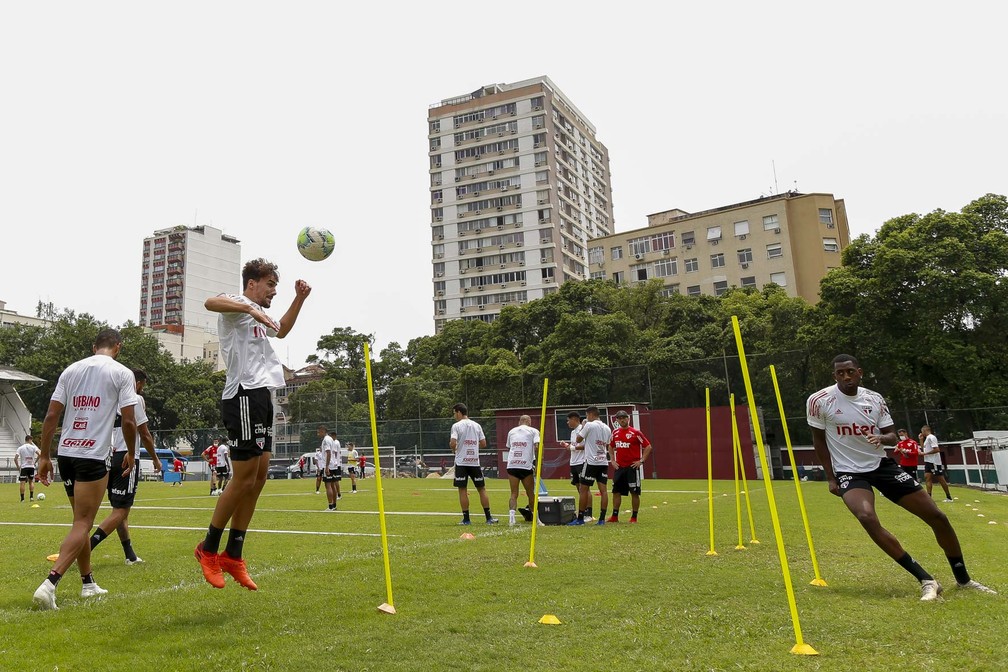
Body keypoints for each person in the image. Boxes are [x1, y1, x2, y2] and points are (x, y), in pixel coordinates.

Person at [807, 354, 995, 600]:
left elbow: (893, 436)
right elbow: (818, 441)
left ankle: (963, 579)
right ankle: (926, 579)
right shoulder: (819, 400)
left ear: (859, 372)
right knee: (866, 516)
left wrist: (880, 438)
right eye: (840, 373)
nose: (846, 377)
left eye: (850, 371)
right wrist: (831, 478)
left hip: (881, 465)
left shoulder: (874, 399)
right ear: (834, 375)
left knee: (937, 516)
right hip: (849, 471)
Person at [194, 258, 311, 591]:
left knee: (259, 477)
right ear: (252, 283)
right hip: (242, 395)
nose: (274, 290)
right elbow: (209, 302)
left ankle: (234, 553)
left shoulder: (258, 313)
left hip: (263, 397)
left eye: (276, 285)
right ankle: (208, 548)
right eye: (271, 284)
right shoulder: (239, 304)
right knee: (243, 477)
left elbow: (283, 329)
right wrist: (250, 310)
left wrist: (299, 298)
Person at [32, 328, 138, 610]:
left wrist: (44, 455)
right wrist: (130, 451)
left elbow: (52, 415)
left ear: (94, 346)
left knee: (79, 521)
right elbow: (128, 422)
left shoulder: (70, 371)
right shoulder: (122, 373)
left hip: (66, 453)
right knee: (83, 523)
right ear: (118, 347)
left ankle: (88, 583)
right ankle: (50, 584)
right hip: (93, 455)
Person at [90, 368, 161, 565]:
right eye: (142, 386)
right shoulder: (134, 400)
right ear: (137, 383)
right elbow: (144, 433)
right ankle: (86, 547)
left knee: (119, 510)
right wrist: (155, 458)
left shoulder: (109, 400)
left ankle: (129, 555)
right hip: (126, 456)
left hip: (105, 456)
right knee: (121, 511)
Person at [450, 402, 497, 525]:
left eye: (454, 413)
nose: (454, 415)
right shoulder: (477, 425)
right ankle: (488, 518)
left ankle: (466, 519)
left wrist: (454, 449)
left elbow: (453, 442)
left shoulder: (456, 426)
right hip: (474, 462)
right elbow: (483, 444)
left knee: (462, 490)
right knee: (481, 489)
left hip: (461, 462)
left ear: (459, 412)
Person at [608, 410, 652, 523]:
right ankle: (614, 516)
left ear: (628, 419)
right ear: (617, 420)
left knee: (634, 492)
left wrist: (641, 461)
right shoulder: (615, 433)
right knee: (616, 492)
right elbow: (610, 446)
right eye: (619, 418)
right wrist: (612, 460)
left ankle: (634, 517)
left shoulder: (635, 433)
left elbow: (648, 447)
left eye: (624, 418)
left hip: (632, 468)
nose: (622, 420)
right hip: (619, 467)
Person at [571, 406, 612, 526]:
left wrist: (583, 427)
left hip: (591, 462)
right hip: (603, 461)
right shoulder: (607, 428)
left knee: (583, 490)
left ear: (590, 414)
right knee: (603, 491)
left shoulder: (589, 425)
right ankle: (602, 519)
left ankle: (580, 518)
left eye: (587, 415)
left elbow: (578, 439)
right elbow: (607, 444)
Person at [505, 415, 540, 525]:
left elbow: (509, 447)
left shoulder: (511, 431)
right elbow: (537, 446)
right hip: (525, 465)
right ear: (529, 422)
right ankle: (536, 519)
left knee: (513, 493)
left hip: (512, 465)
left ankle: (511, 518)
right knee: (530, 493)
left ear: (520, 422)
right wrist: (538, 463)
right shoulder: (533, 431)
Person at [559, 412, 589, 520]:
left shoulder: (583, 429)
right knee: (578, 487)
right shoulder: (572, 432)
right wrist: (567, 445)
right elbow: (574, 446)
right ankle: (582, 509)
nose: (567, 422)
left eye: (568, 420)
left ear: (575, 419)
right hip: (573, 462)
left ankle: (588, 513)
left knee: (585, 488)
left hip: (582, 461)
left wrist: (572, 448)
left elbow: (585, 445)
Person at [920, 425, 954, 502]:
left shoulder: (931, 437)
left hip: (934, 462)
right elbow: (923, 448)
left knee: (940, 479)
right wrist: (921, 440)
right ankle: (929, 497)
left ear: (925, 430)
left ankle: (949, 497)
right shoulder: (926, 439)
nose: (922, 433)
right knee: (927, 477)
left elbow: (937, 449)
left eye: (922, 431)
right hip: (928, 461)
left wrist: (925, 454)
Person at [318, 426, 340, 511]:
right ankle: (334, 505)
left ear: (323, 431)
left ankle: (330, 506)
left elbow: (328, 453)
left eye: (319, 432)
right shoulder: (331, 439)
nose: (318, 434)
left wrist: (326, 466)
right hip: (334, 465)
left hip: (328, 465)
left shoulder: (326, 440)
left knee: (328, 486)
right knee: (333, 485)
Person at [15, 435, 40, 502]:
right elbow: (40, 454)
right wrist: (35, 462)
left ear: (25, 440)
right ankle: (31, 497)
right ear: (30, 439)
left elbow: (15, 458)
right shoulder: (33, 447)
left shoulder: (20, 448)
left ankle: (22, 499)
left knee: (22, 483)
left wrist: (18, 466)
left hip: (24, 467)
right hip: (31, 466)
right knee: (31, 481)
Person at [328, 430, 343, 500]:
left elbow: (335, 453)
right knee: (334, 480)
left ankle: (338, 494)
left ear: (334, 436)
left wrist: (336, 462)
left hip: (335, 464)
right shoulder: (336, 442)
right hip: (336, 464)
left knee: (334, 480)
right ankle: (338, 494)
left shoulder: (335, 442)